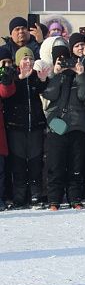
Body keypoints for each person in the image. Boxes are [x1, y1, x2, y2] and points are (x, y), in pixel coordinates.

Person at [43, 38, 85, 210]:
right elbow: (50, 95)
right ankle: (54, 199)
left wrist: (81, 74)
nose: (65, 64)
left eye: (66, 60)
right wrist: (56, 74)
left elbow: (84, 95)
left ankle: (75, 198)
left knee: (76, 165)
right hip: (56, 125)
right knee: (55, 165)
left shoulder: (78, 75)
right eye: (60, 61)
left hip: (77, 124)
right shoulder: (54, 76)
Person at [3, 46, 49, 210]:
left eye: (30, 58)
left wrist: (43, 80)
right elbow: (7, 93)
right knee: (19, 163)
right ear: (18, 62)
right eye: (24, 59)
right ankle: (19, 196)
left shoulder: (36, 76)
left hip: (35, 126)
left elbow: (44, 90)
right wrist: (20, 78)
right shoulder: (12, 76)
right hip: (16, 127)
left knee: (36, 162)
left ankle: (36, 195)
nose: (28, 61)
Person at [0, 48, 17, 210]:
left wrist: (6, 80)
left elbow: (6, 92)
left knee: (1, 171)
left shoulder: (7, 76)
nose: (5, 65)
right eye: (2, 62)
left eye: (8, 62)